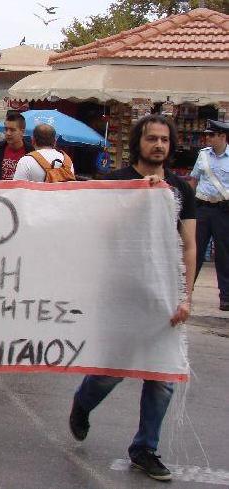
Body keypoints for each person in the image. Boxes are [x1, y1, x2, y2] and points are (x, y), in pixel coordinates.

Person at [69, 114, 196, 482]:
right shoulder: (116, 182)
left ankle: (145, 449)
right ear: (138, 141)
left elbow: (188, 245)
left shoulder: (179, 189)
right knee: (113, 371)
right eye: (152, 138)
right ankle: (83, 402)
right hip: (121, 292)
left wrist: (186, 297)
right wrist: (140, 196)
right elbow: (97, 229)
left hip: (163, 296)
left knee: (161, 376)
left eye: (165, 140)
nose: (158, 145)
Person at [190, 119, 228, 311]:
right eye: (207, 135)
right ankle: (186, 292)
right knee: (195, 251)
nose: (208, 138)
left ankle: (226, 297)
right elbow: (194, 180)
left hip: (223, 210)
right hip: (202, 208)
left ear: (222, 136)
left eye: (212, 135)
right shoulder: (203, 155)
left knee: (224, 254)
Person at [0, 111, 33, 181]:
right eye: (6, 129)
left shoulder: (31, 152)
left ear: (22, 132)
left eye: (12, 130)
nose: (8, 133)